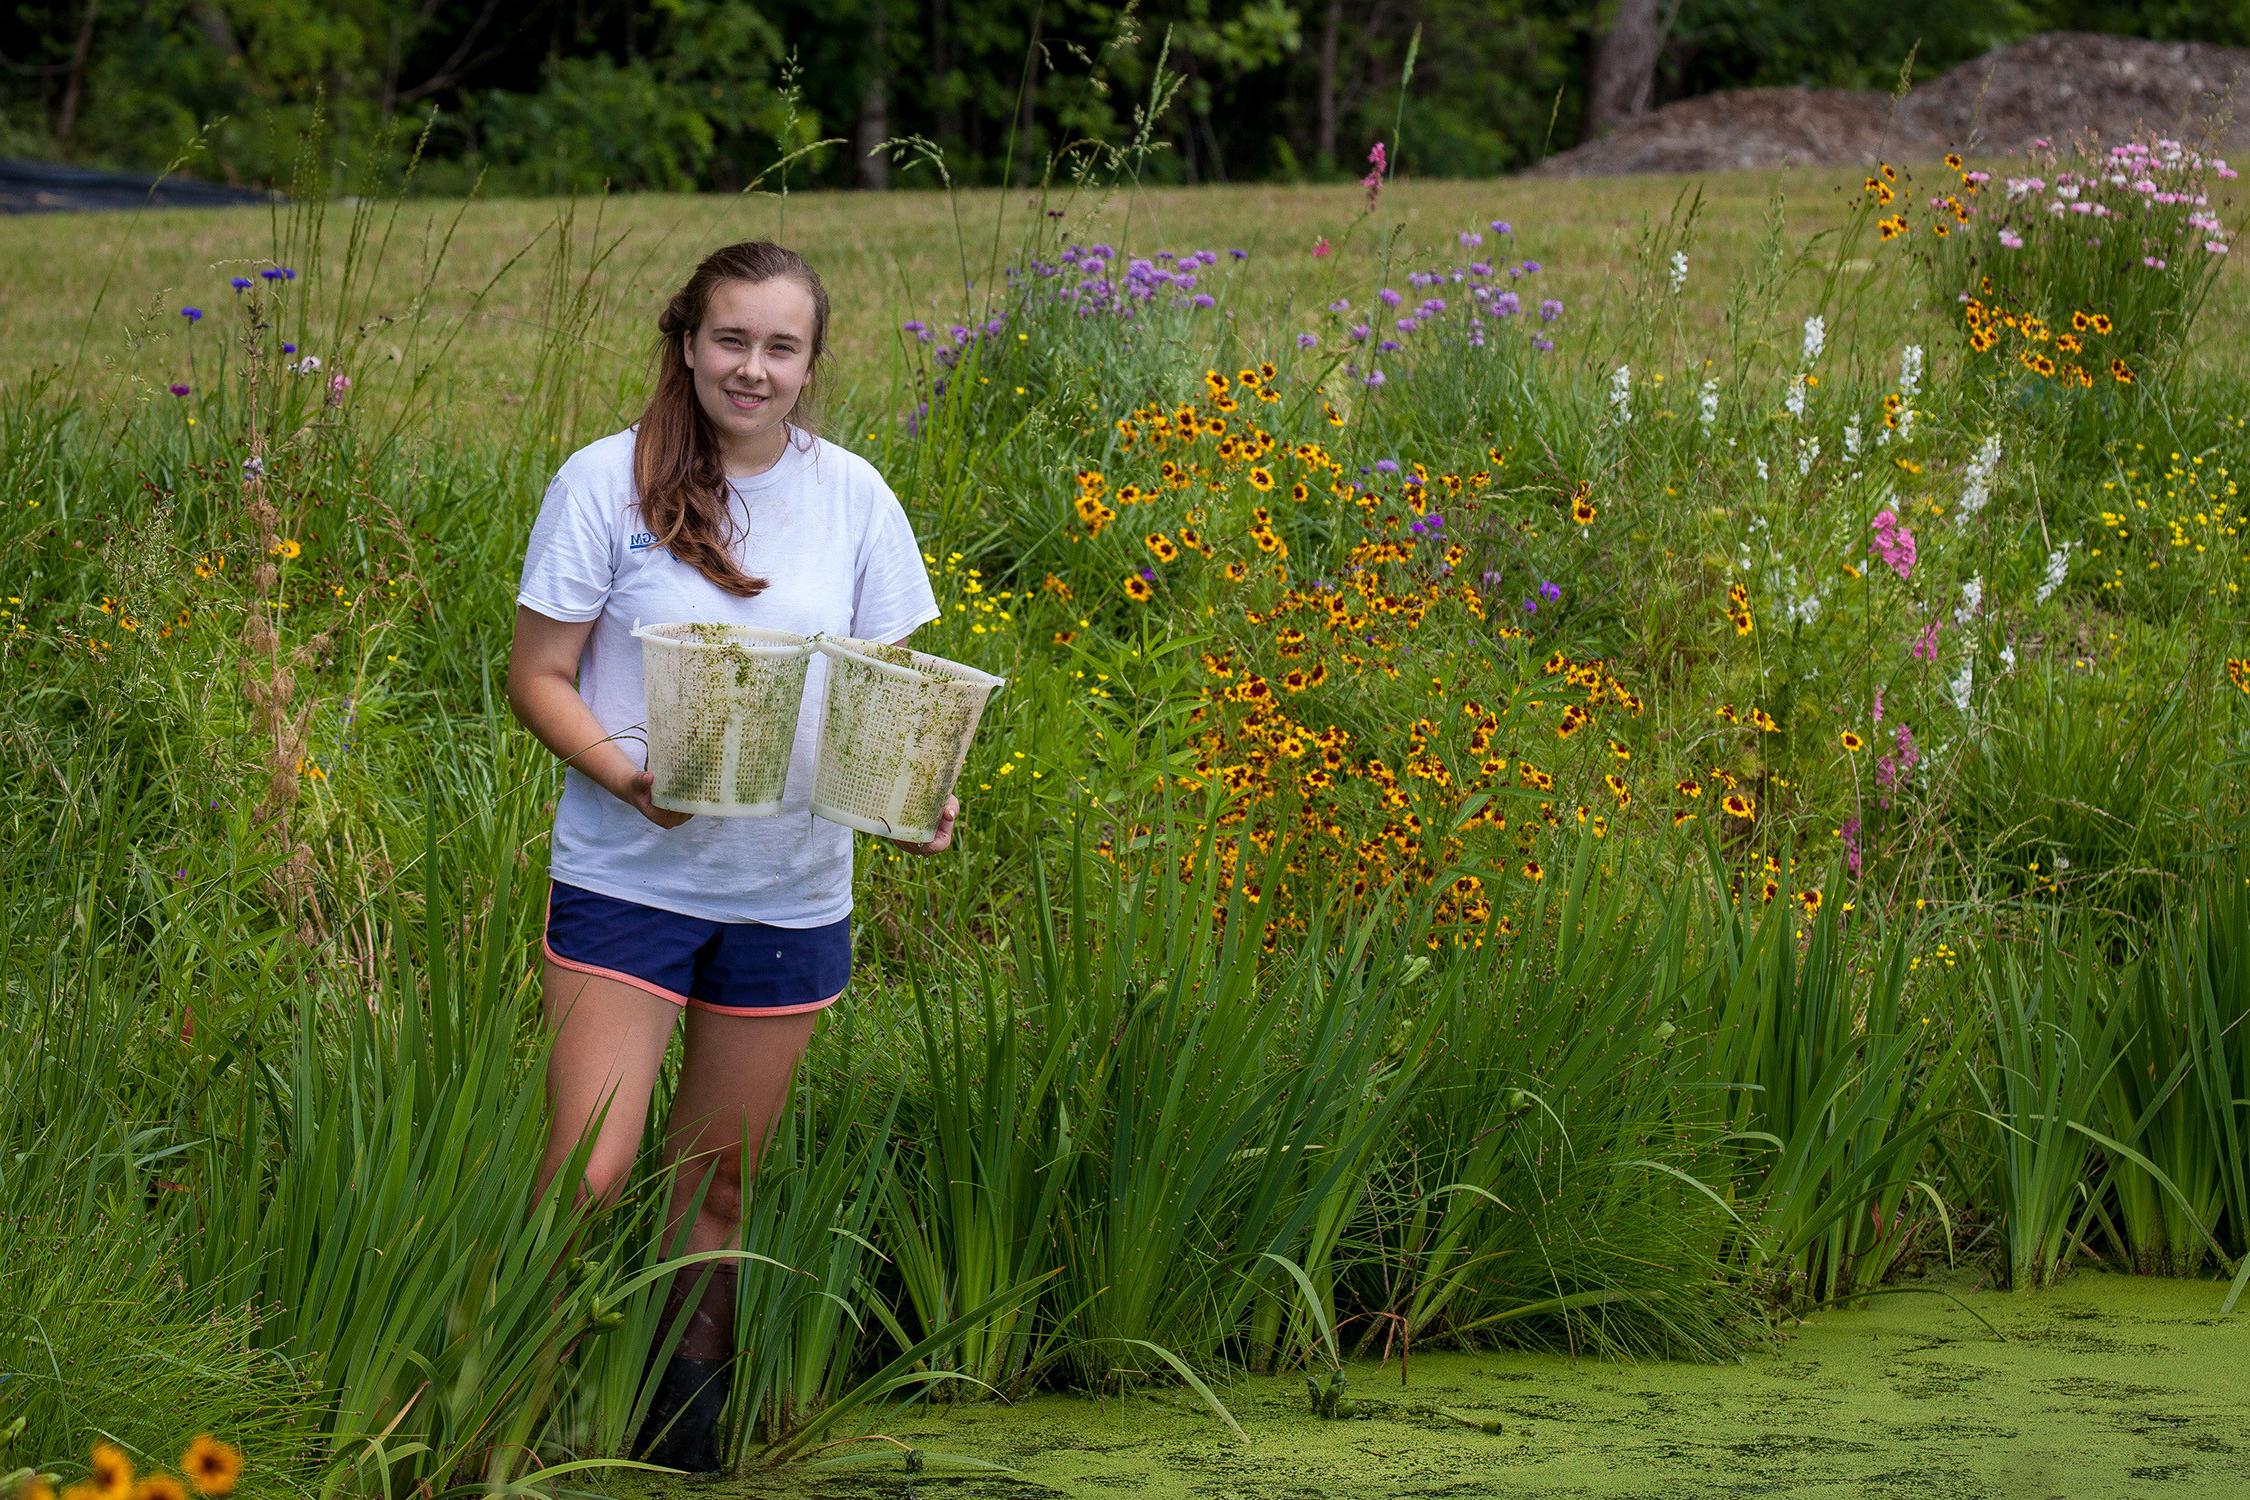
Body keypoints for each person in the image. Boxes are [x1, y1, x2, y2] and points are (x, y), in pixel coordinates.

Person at [505, 240, 951, 1472]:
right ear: (688, 343)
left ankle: (679, 1440)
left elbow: (891, 694)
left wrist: (918, 797)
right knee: (588, 1173)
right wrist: (622, 777)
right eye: (731, 340)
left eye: (780, 347)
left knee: (717, 1195)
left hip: (787, 892)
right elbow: (537, 677)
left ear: (812, 363)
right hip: (627, 878)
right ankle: (510, 1424)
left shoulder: (853, 495)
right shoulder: (608, 481)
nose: (752, 368)